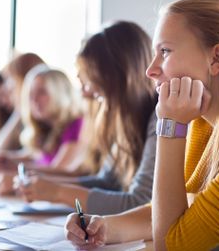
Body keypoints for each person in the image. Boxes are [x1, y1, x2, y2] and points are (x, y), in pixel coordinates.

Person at [65, 0, 219, 251]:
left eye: (164, 51)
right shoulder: (205, 124)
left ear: (216, 59)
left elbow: (172, 244)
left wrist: (169, 126)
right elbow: (181, 212)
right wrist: (105, 226)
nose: (150, 70)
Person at [17, 21, 158, 215]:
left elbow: (140, 203)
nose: (85, 93)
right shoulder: (124, 120)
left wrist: (57, 192)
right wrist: (45, 185)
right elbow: (107, 182)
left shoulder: (159, 119)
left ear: (114, 77)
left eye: (90, 81)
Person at [0, 65, 85, 194]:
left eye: (42, 92)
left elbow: (61, 171)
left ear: (59, 93)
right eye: (31, 94)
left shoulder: (76, 124)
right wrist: (6, 160)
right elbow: (34, 158)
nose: (34, 100)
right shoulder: (47, 129)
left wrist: (17, 173)